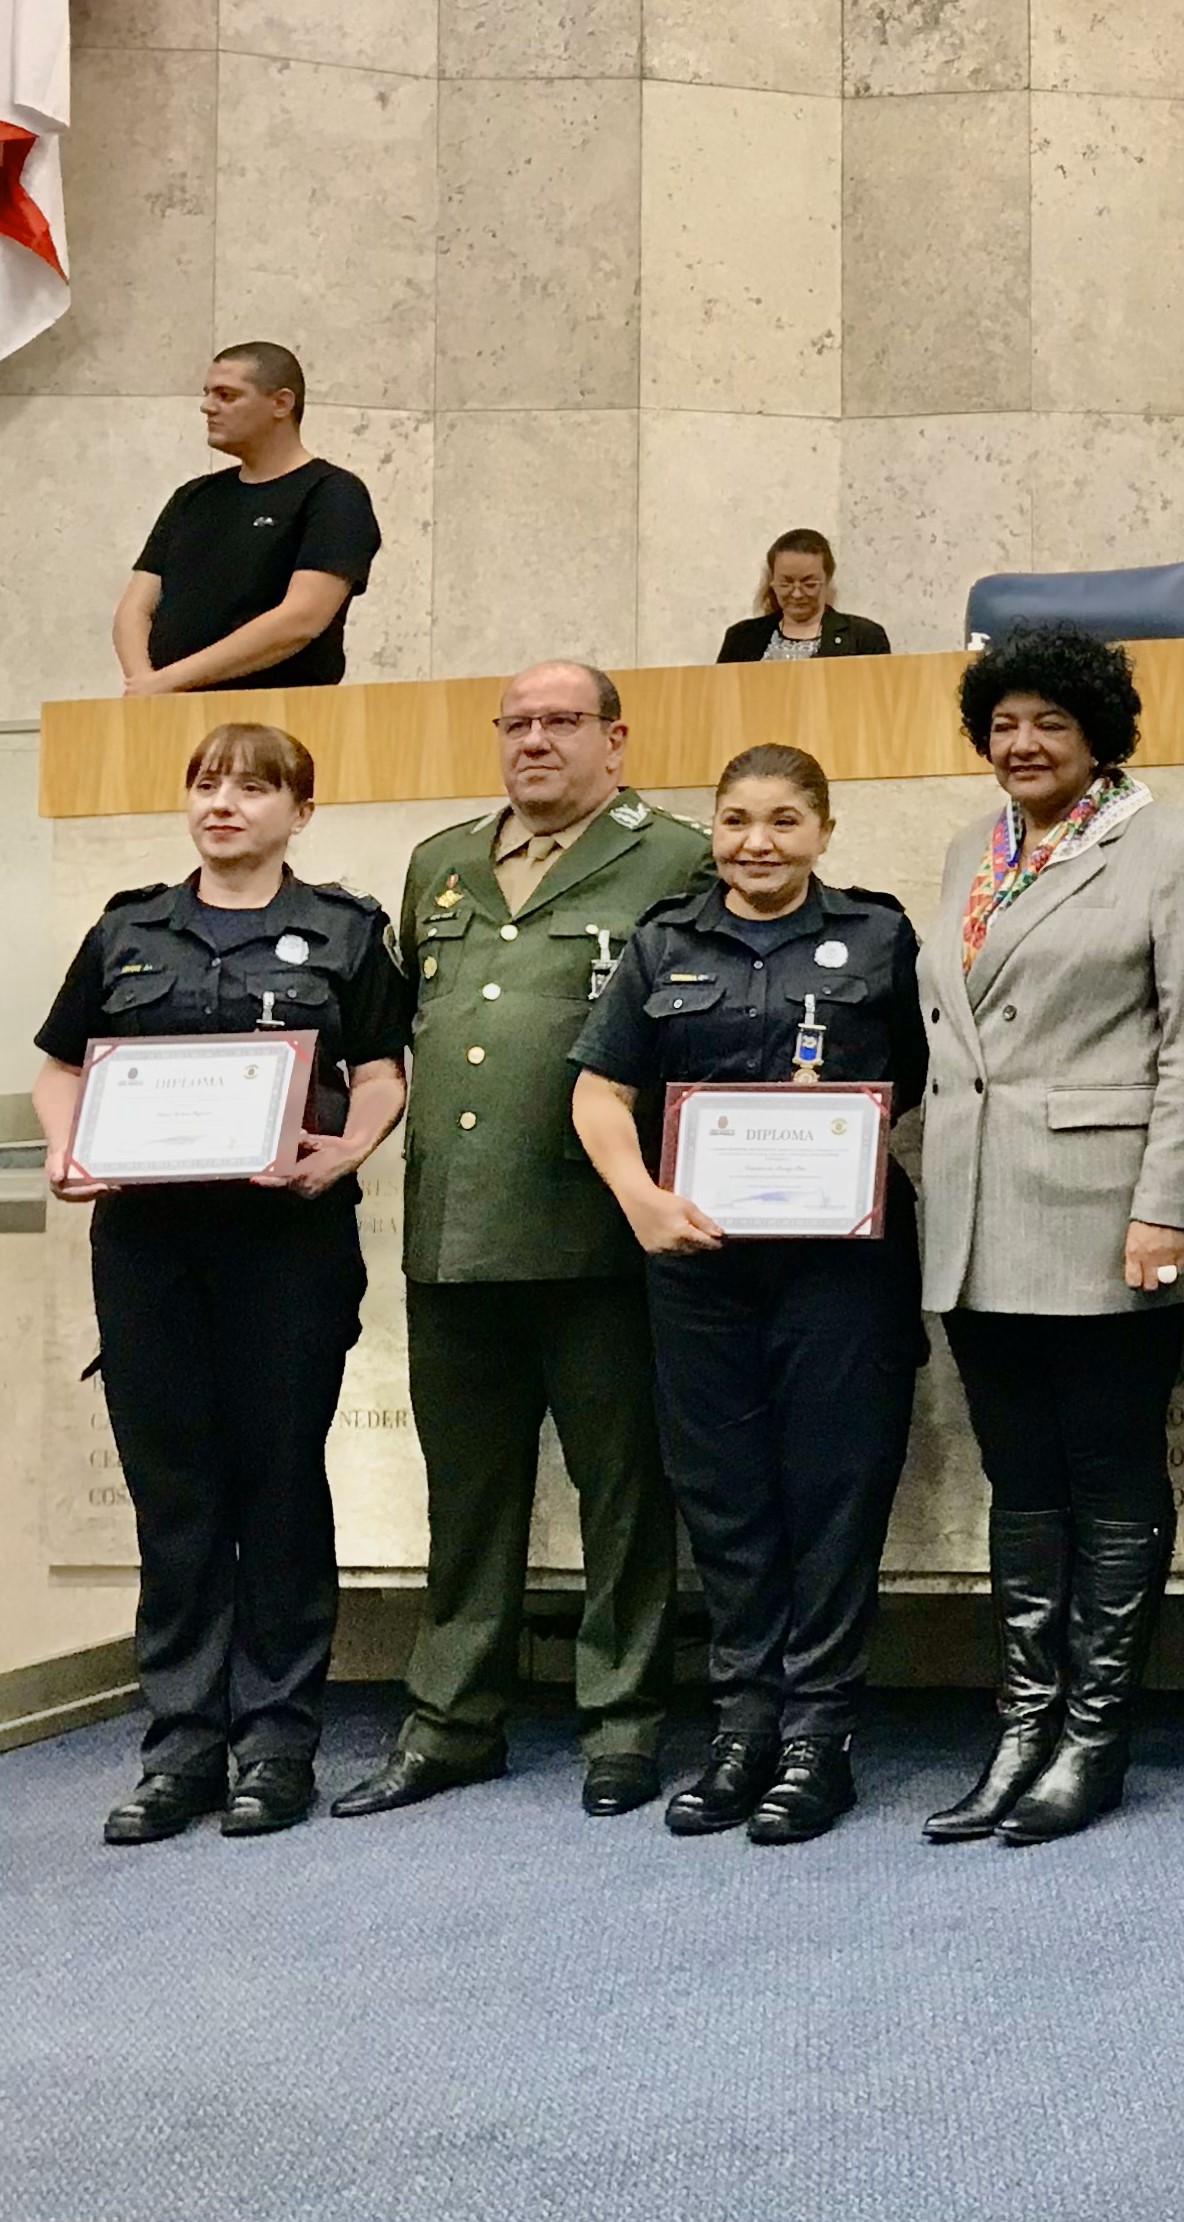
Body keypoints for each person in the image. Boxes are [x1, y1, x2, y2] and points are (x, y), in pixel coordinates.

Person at [331, 663, 717, 1826]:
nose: (535, 741)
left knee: (622, 1491)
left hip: (598, 1227)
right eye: (518, 723)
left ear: (616, 737)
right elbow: (416, 1033)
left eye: (562, 722)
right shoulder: (440, 861)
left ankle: (624, 1719)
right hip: (456, 1230)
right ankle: (452, 1719)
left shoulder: (676, 856)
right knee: (470, 1492)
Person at [35, 724, 409, 1843]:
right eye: (206, 783)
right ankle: (183, 1745)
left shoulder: (344, 931)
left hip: (284, 1246)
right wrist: (66, 1150)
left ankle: (278, 1743)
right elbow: (62, 1064)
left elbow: (385, 1068)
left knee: (280, 1481)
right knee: (178, 1494)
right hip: (150, 1249)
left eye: (253, 787)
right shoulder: (128, 926)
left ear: (300, 810)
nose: (225, 804)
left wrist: (349, 1148)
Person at [914, 626, 1184, 1846]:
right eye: (1001, 721)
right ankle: (1022, 1725)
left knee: (1106, 1478)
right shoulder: (968, 848)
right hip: (977, 1215)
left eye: (1048, 720)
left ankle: (1094, 1736)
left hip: (1109, 1213)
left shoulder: (1167, 847)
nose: (1021, 742)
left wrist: (1166, 1203)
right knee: (1021, 1482)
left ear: (1100, 730)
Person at [571, 745, 926, 1847]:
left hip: (840, 1265)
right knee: (722, 1494)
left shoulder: (878, 935)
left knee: (832, 1491)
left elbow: (916, 1078)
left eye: (781, 820)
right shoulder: (663, 942)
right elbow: (598, 1087)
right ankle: (743, 1724)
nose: (755, 842)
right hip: (698, 1260)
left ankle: (818, 1732)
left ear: (823, 827)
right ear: (711, 829)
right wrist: (638, 1195)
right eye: (734, 820)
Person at [116, 344, 382, 695]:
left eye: (227, 395)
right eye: (207, 394)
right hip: (168, 713)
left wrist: (167, 682)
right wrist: (145, 684)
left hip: (276, 719)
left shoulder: (332, 493)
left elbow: (301, 618)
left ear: (281, 404)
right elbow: (134, 609)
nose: (207, 406)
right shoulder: (193, 497)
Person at [716, 529, 892, 664]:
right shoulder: (741, 638)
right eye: (786, 583)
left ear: (827, 580)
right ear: (772, 581)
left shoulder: (864, 638)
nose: (797, 593)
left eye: (809, 584)